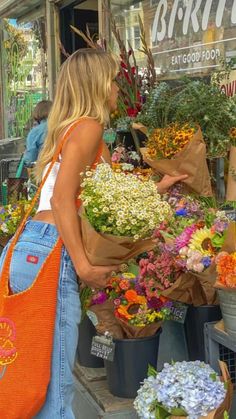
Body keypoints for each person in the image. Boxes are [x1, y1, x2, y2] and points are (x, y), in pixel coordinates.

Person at [0, 49, 187, 418]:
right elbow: (62, 200)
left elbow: (100, 200)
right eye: (114, 79)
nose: (118, 87)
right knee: (53, 392)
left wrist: (157, 188)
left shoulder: (72, 130)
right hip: (52, 252)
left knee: (30, 377)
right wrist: (84, 266)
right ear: (98, 83)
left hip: (31, 249)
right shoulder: (88, 127)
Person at [23, 100, 52, 167]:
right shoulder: (62, 127)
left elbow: (30, 158)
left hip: (44, 169)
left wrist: (25, 159)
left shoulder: (35, 132)